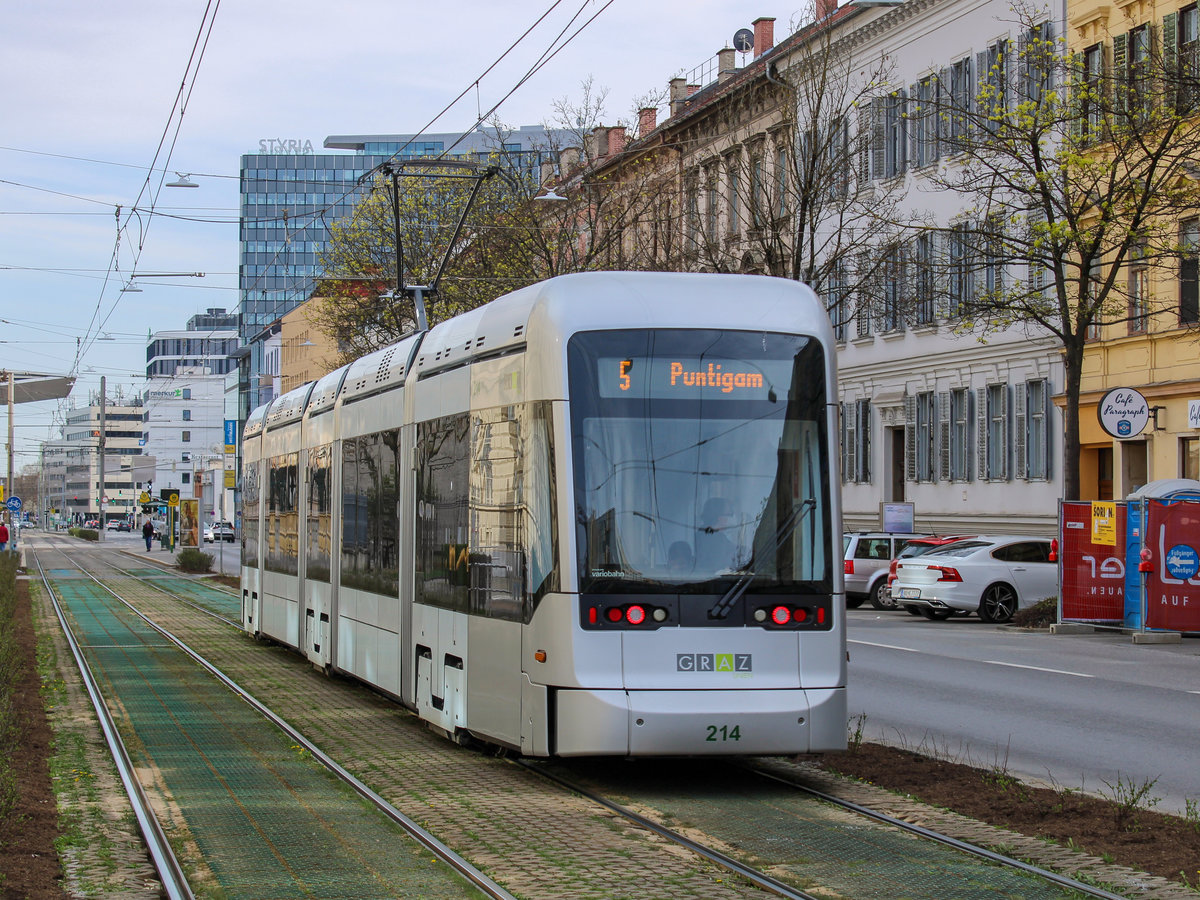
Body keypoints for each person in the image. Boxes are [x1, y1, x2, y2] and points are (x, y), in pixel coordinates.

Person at [695, 497, 737, 570]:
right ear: (720, 517)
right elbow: (717, 567)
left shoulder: (705, 533)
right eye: (730, 514)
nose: (732, 518)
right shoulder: (714, 539)